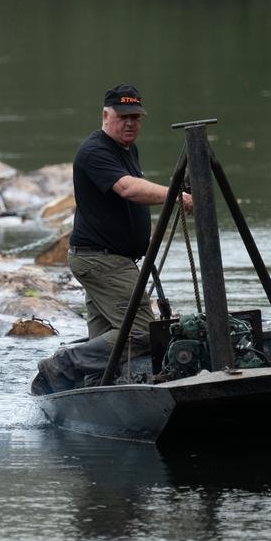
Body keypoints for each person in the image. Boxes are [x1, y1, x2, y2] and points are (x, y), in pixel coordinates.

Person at [33, 83, 191, 394]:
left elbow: (134, 191)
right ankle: (63, 364)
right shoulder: (94, 151)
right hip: (102, 260)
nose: (130, 123)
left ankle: (91, 393)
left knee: (105, 339)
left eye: (135, 116)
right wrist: (175, 196)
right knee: (143, 331)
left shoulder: (127, 149)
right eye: (123, 116)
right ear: (106, 115)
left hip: (110, 257)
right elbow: (128, 189)